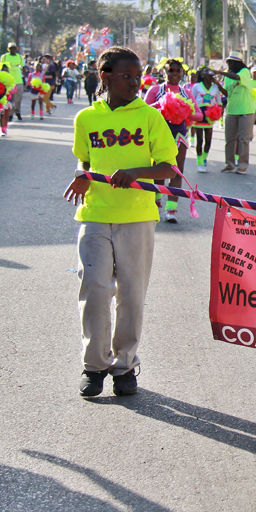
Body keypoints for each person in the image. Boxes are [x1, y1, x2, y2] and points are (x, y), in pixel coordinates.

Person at [63, 46, 177, 398]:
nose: (134, 83)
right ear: (105, 76)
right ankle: (94, 366)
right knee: (95, 290)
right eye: (126, 77)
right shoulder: (86, 119)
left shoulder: (150, 117)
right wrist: (82, 175)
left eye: (138, 77)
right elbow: (85, 162)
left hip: (137, 217)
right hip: (95, 215)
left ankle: (124, 366)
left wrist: (136, 173)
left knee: (131, 294)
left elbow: (168, 169)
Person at [144, 58, 193, 223]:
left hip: (180, 136)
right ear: (164, 72)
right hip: (159, 135)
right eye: (170, 70)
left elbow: (198, 114)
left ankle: (171, 210)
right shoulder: (155, 90)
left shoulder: (186, 92)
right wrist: (161, 104)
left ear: (182, 73)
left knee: (177, 171)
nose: (174, 74)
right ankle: (156, 203)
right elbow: (144, 111)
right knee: (159, 170)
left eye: (177, 71)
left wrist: (184, 109)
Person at [214, 52, 256, 173]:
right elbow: (228, 94)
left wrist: (220, 72)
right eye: (228, 62)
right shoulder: (228, 76)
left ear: (237, 63)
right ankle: (230, 164)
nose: (229, 64)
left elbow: (237, 78)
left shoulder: (244, 72)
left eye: (231, 62)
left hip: (246, 110)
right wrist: (218, 84)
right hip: (232, 110)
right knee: (229, 139)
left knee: (243, 139)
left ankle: (242, 165)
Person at [191, 67, 226, 173]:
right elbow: (192, 100)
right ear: (202, 75)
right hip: (199, 115)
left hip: (210, 116)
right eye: (207, 73)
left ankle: (204, 157)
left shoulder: (215, 87)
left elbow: (219, 101)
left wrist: (219, 113)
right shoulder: (197, 86)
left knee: (208, 140)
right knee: (200, 140)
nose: (210, 75)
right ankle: (199, 162)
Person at [0, 43, 24, 120]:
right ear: (8, 49)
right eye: (11, 48)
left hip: (18, 80)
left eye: (14, 48)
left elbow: (23, 67)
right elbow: (0, 67)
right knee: (8, 98)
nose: (12, 49)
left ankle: (17, 112)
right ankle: (9, 114)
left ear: (16, 49)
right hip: (8, 80)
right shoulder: (4, 57)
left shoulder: (19, 57)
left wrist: (24, 77)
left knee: (18, 98)